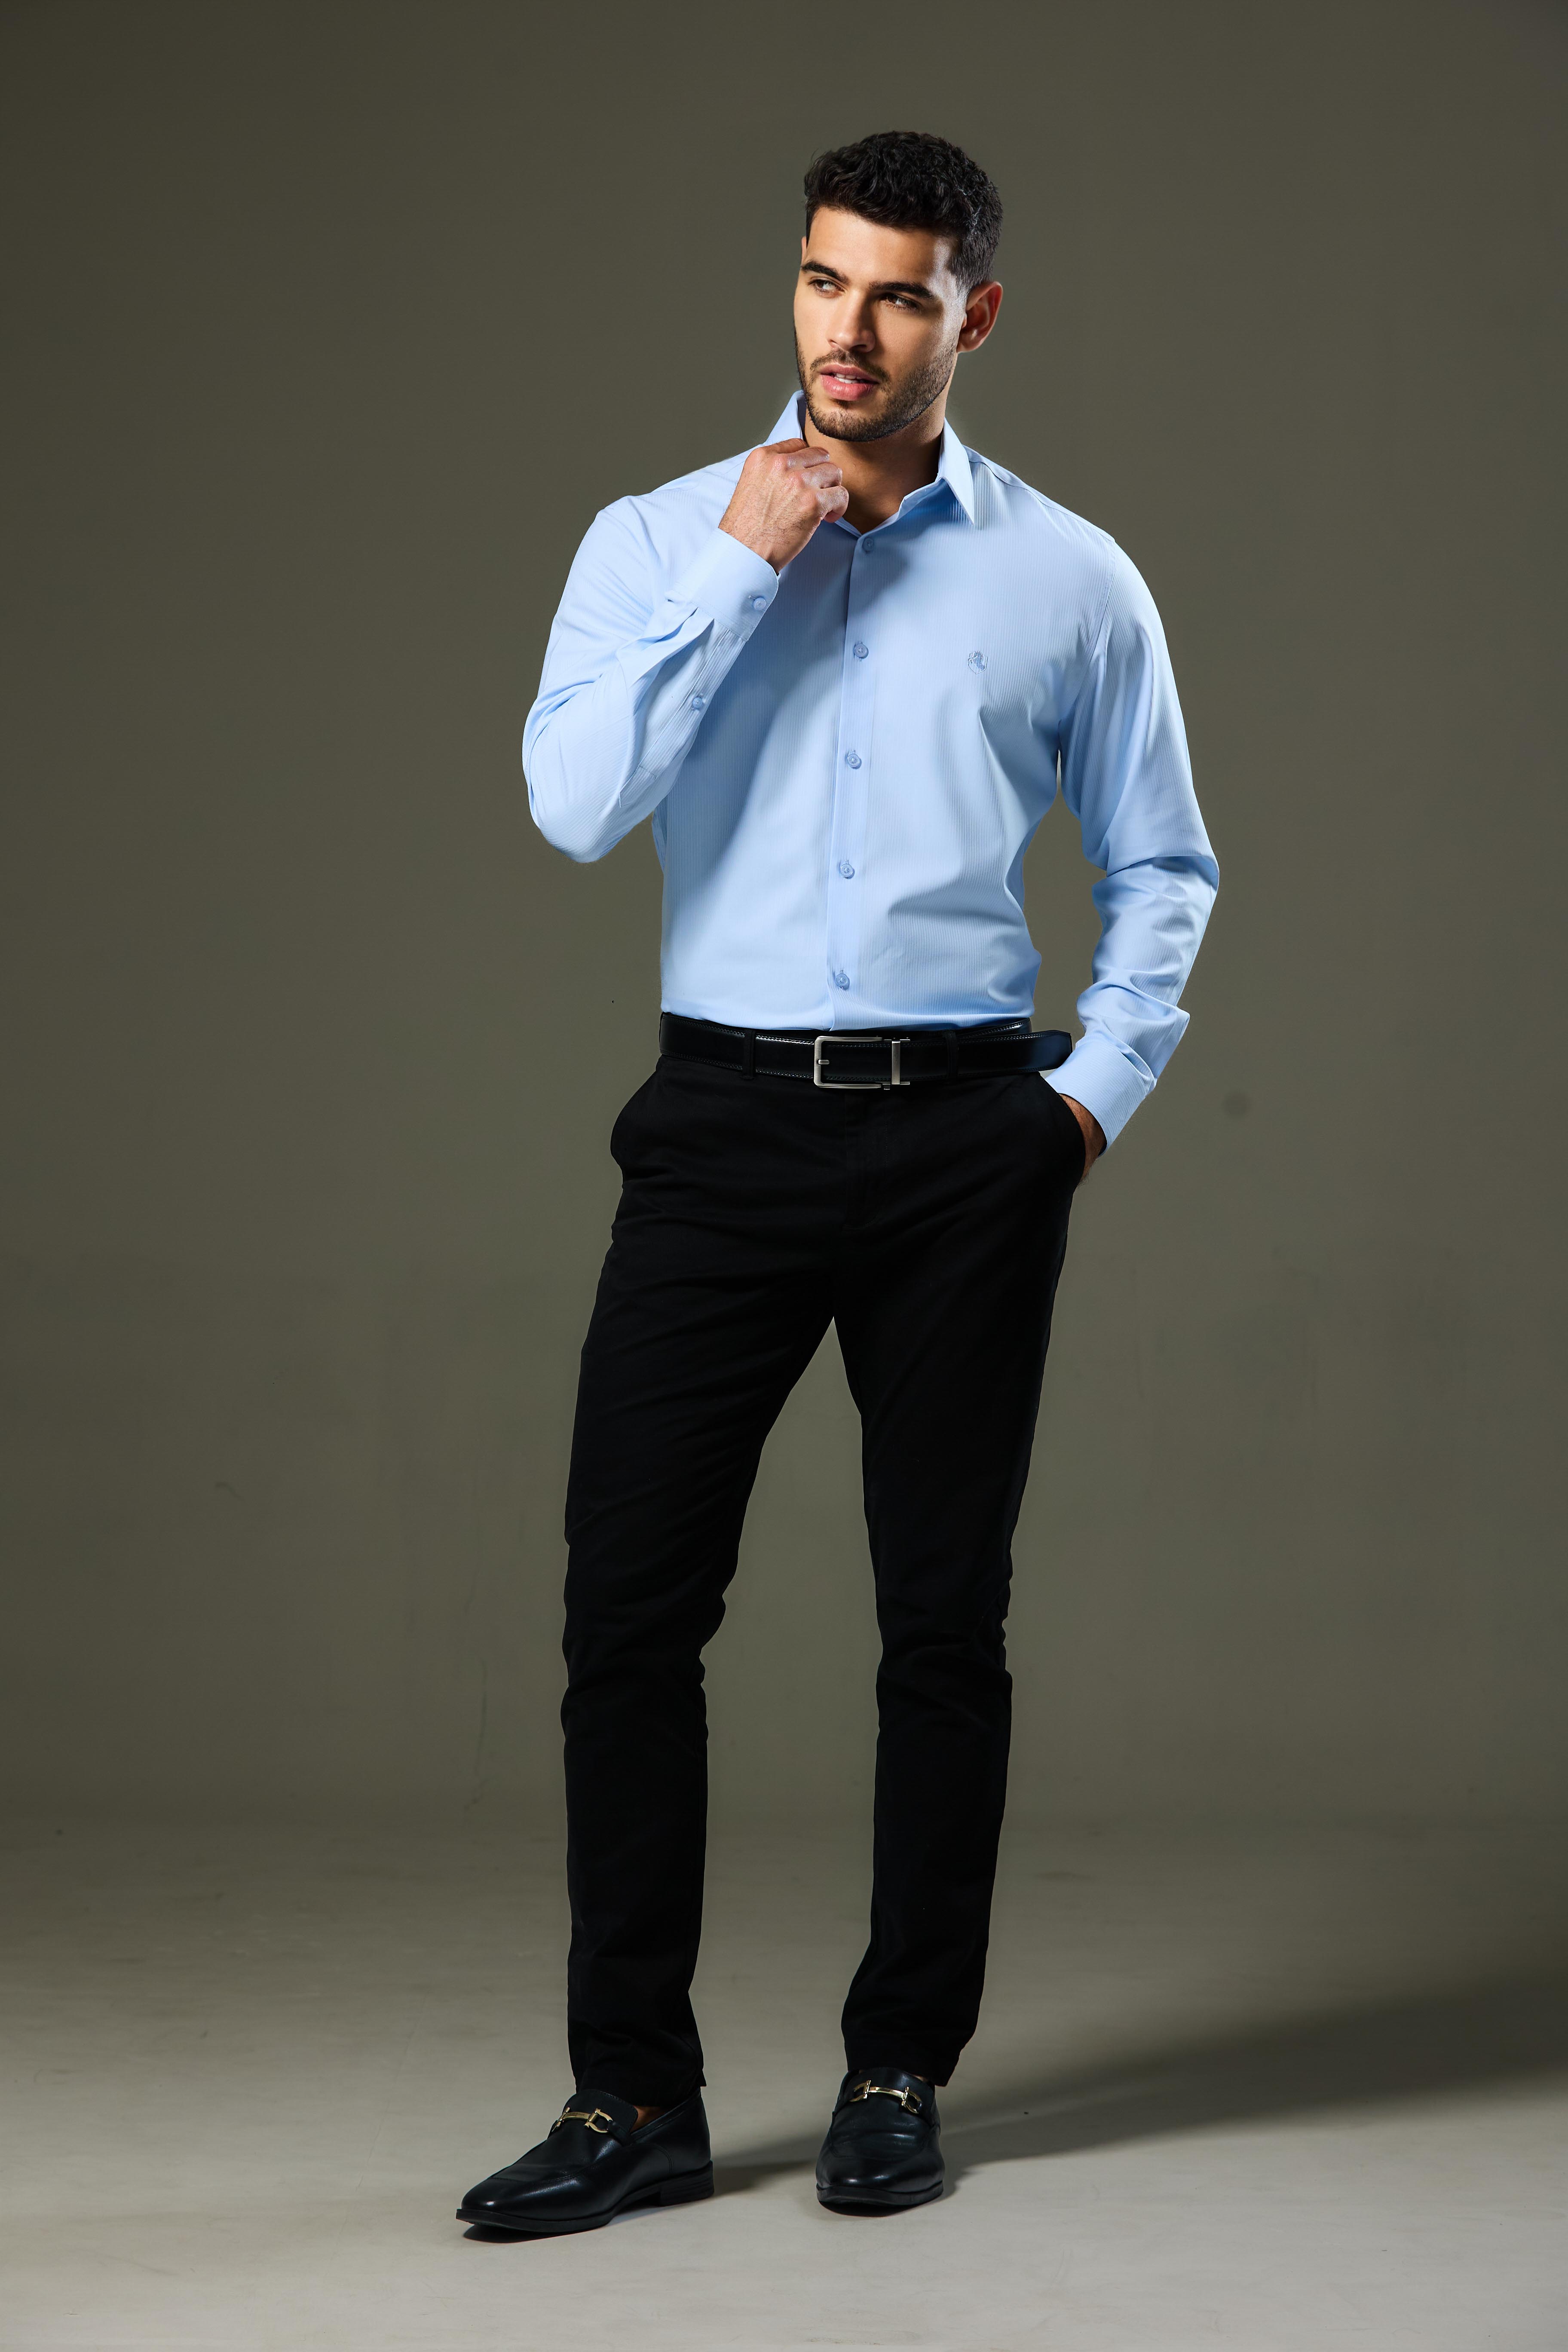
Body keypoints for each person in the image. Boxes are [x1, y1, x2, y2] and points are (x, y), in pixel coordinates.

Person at [459, 129, 1216, 2235]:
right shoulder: (654, 537)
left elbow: (1163, 865)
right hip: (721, 1130)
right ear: (791, 282)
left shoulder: (1074, 579)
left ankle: (900, 2072)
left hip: (971, 1135)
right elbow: (573, 808)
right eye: (821, 281)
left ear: (976, 313)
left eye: (898, 293)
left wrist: (1084, 1103)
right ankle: (634, 2097)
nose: (849, 332)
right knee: (629, 1612)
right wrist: (740, 562)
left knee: (940, 1624)